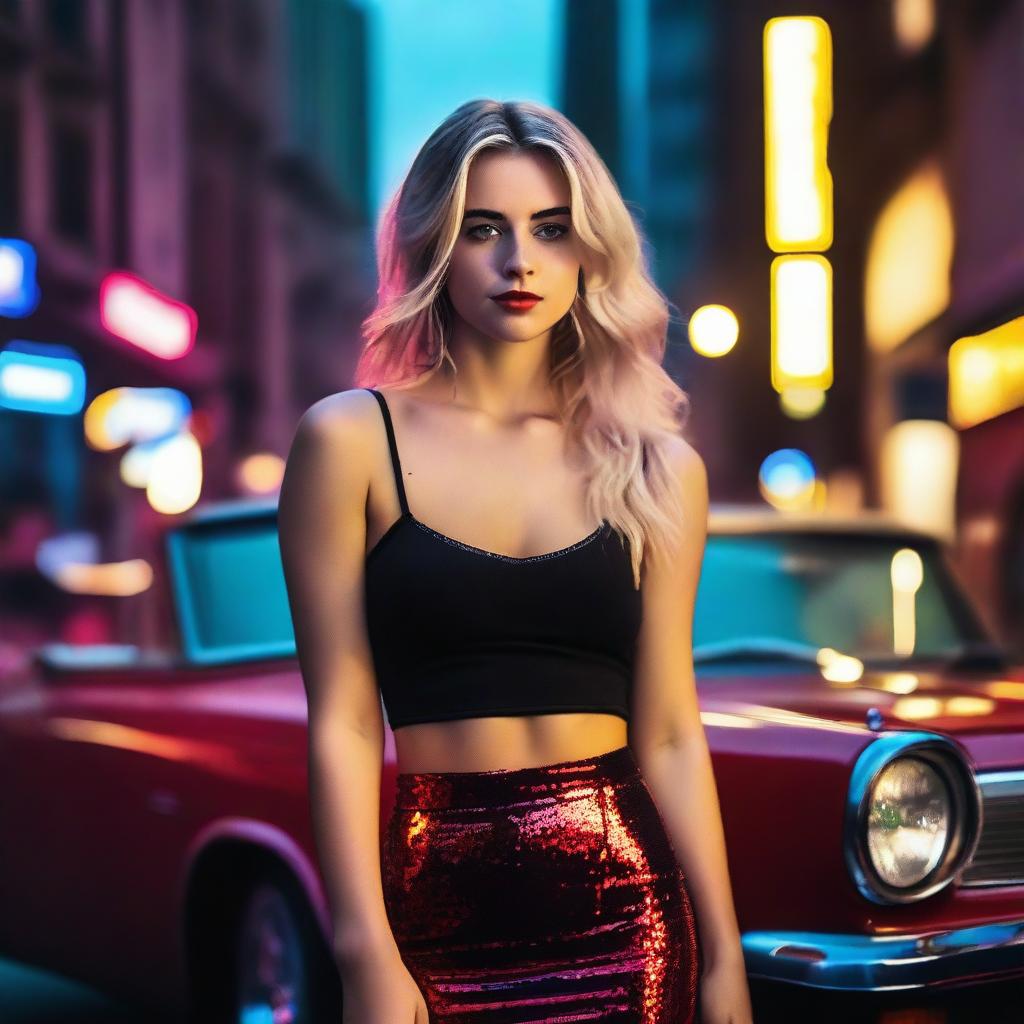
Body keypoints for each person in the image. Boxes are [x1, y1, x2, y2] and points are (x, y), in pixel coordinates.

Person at [278, 98, 753, 1024]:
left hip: (630, 917)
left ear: (590, 253)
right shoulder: (350, 441)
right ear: (434, 247)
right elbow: (340, 722)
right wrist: (362, 949)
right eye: (482, 229)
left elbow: (668, 732)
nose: (519, 261)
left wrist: (725, 962)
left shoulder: (657, 466)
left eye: (551, 230)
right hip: (434, 914)